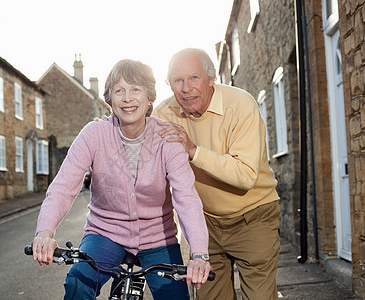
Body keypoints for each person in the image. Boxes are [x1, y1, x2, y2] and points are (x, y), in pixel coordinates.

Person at [32, 59, 212, 300]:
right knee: (77, 284)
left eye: (136, 89)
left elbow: (186, 198)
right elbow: (64, 186)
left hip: (158, 238)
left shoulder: (168, 139)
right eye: (119, 90)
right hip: (105, 234)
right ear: (110, 99)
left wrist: (199, 254)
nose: (127, 98)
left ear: (149, 97)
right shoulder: (94, 134)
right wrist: (44, 232)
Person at [153, 48, 281, 300]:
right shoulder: (164, 114)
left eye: (194, 78)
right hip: (204, 224)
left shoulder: (240, 104)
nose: (186, 88)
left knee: (259, 297)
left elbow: (245, 175)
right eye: (177, 81)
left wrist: (193, 150)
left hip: (253, 217)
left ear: (211, 79)